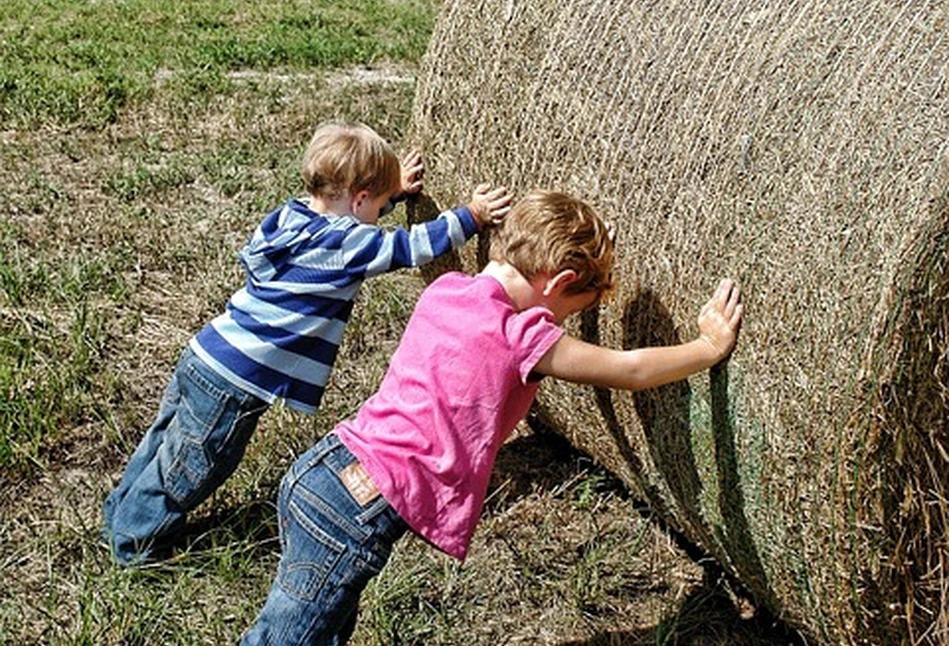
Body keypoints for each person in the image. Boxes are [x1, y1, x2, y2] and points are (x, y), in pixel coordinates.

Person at [239, 189, 744, 645]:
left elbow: (537, 299)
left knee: (318, 627)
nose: (564, 322)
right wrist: (706, 346)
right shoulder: (521, 338)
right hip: (357, 510)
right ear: (562, 280)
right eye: (577, 303)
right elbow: (628, 369)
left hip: (326, 470)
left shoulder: (449, 289)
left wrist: (581, 259)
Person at [101, 121, 513, 566]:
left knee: (163, 441)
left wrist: (390, 195)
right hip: (238, 380)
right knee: (192, 464)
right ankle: (135, 547)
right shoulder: (346, 243)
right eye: (376, 205)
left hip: (208, 352)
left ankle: (120, 513)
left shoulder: (292, 215)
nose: (379, 214)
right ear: (357, 200)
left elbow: (350, 227)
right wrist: (471, 215)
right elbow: (411, 246)